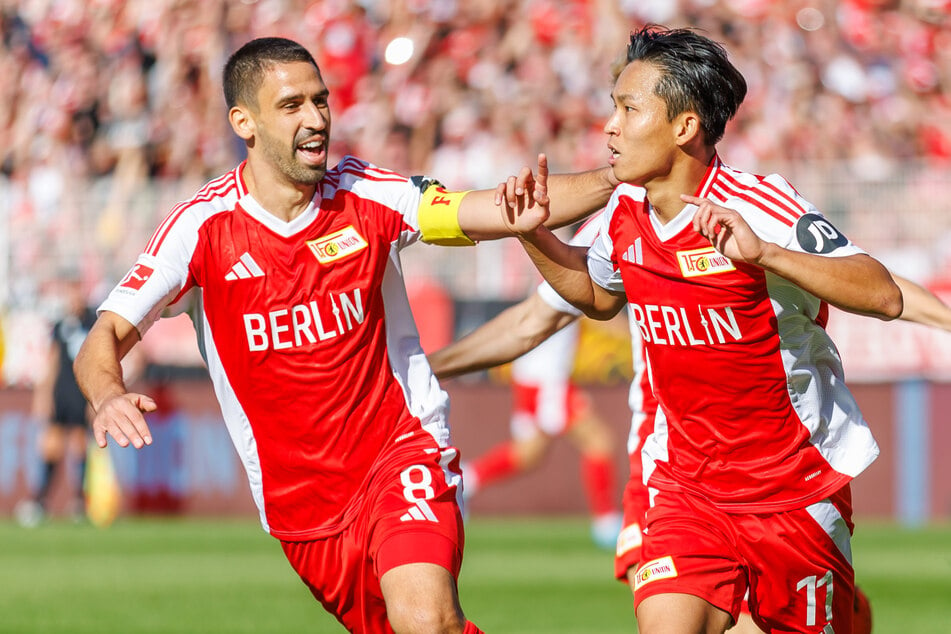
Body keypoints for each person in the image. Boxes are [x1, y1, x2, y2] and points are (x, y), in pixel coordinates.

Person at [72, 37, 617, 634]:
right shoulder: (201, 230)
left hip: (402, 451)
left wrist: (619, 175)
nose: (316, 119)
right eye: (293, 106)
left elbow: (498, 210)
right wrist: (106, 393)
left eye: (321, 100)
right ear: (243, 122)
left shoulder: (367, 195)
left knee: (425, 620)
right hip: (302, 509)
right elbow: (106, 334)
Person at [497, 26, 904, 633]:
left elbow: (884, 293)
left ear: (684, 127)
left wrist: (765, 254)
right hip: (687, 491)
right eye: (613, 106)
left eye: (628, 108)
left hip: (792, 494)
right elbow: (598, 295)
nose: (609, 125)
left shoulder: (760, 202)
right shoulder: (624, 212)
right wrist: (534, 235)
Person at [430, 220, 623, 550]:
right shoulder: (570, 260)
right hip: (546, 379)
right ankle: (606, 522)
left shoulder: (561, 256)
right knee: (599, 443)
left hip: (534, 375)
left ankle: (465, 483)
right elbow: (588, 310)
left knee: (529, 454)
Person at [15, 275, 97, 527]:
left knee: (80, 445)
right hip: (61, 392)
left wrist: (98, 399)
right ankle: (40, 501)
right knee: (50, 446)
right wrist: (43, 395)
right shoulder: (60, 325)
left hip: (82, 392)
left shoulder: (93, 322)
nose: (73, 298)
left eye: (76, 292)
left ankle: (79, 503)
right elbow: (51, 362)